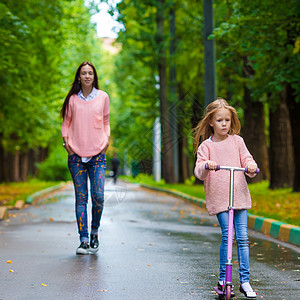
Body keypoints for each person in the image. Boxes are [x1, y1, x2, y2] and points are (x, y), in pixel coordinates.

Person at [193, 98, 258, 298]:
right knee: (227, 236)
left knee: (243, 238)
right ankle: (223, 279)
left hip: (238, 195)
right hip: (220, 198)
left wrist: (251, 165)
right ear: (211, 122)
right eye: (219, 120)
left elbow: (247, 158)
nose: (224, 124)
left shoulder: (237, 141)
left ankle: (245, 280)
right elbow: (199, 170)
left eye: (227, 120)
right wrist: (206, 165)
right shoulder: (206, 146)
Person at [61, 61, 110, 255]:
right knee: (81, 199)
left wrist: (106, 141)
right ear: (79, 77)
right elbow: (66, 123)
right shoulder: (72, 99)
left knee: (98, 197)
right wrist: (67, 145)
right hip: (76, 156)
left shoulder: (103, 97)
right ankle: (83, 240)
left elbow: (106, 121)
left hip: (98, 154)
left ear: (94, 76)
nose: (87, 76)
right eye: (84, 73)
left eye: (90, 73)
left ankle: (94, 232)